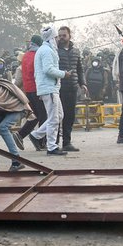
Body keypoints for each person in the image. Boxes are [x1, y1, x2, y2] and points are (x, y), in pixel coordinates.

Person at [28, 26, 71, 156]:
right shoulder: (46, 51)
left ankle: (36, 135)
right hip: (49, 88)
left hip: (49, 88)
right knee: (54, 118)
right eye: (56, 37)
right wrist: (64, 74)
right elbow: (48, 69)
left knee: (59, 116)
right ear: (52, 38)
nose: (58, 39)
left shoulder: (44, 49)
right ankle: (52, 147)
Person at [56, 26, 87, 152]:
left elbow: (80, 69)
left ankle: (67, 142)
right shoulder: (55, 51)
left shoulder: (76, 51)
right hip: (59, 88)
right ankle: (53, 143)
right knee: (57, 117)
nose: (61, 38)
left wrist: (83, 83)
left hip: (72, 87)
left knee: (69, 116)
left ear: (69, 36)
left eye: (64, 35)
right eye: (60, 36)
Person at [17, 35, 46, 149]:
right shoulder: (37, 55)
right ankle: (40, 140)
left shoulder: (26, 56)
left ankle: (20, 134)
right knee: (44, 115)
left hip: (28, 90)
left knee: (36, 116)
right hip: (37, 89)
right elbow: (38, 74)